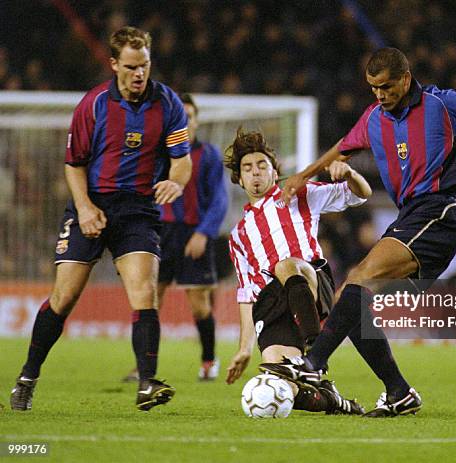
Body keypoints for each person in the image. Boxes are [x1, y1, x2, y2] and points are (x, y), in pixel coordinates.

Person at [263, 47, 456, 417]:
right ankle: (398, 392)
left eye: (386, 87)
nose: (380, 95)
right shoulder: (374, 117)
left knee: (358, 280)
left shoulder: (443, 105)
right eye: (372, 88)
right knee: (352, 303)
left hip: (440, 211)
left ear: (405, 78)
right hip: (412, 216)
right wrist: (305, 174)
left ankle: (313, 364)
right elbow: (343, 147)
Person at [10, 26, 192, 412]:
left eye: (144, 65)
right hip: (91, 204)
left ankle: (146, 383)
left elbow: (181, 162)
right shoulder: (92, 105)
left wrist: (175, 184)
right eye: (130, 66)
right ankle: (27, 377)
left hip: (139, 211)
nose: (139, 73)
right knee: (64, 297)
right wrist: (86, 208)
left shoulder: (169, 104)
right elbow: (73, 164)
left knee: (144, 292)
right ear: (113, 64)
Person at [223, 128, 370, 415]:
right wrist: (244, 348)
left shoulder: (297, 193)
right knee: (281, 388)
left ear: (274, 172)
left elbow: (361, 195)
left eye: (262, 166)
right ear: (239, 179)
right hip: (273, 303)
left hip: (310, 280)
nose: (255, 174)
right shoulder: (238, 235)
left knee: (286, 264)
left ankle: (315, 353)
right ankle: (332, 399)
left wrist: (349, 174)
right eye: (248, 169)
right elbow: (247, 295)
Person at [122, 93, 228, 383]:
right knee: (149, 300)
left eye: (190, 116)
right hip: (160, 233)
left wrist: (204, 233)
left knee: (199, 305)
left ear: (196, 121)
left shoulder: (208, 154)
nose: (186, 121)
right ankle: (142, 368)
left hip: (194, 233)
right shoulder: (157, 154)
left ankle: (208, 361)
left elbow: (219, 199)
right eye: (182, 116)